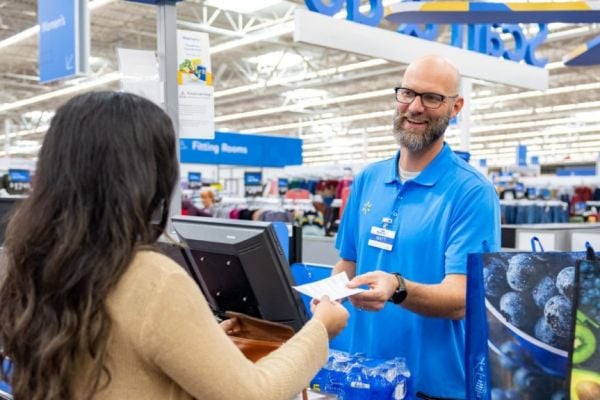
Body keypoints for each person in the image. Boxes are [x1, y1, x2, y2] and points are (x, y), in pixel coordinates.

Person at [0, 91, 349, 400]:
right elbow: (253, 393)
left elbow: (117, 356)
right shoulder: (152, 278)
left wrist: (198, 337)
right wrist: (320, 329)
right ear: (150, 175)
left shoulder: (28, 260)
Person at [333, 55, 501, 400]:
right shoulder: (368, 179)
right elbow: (348, 263)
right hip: (363, 376)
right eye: (407, 93)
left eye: (432, 98)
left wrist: (397, 287)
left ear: (456, 107)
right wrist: (329, 294)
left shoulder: (471, 192)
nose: (415, 107)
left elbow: (461, 299)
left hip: (433, 387)